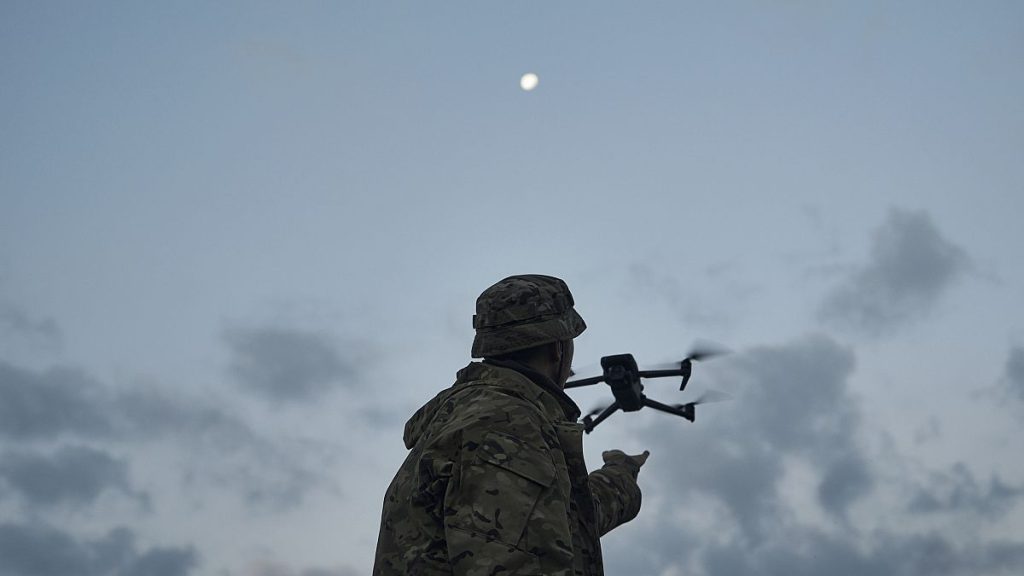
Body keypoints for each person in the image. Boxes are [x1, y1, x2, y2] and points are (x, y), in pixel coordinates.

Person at [373, 274, 649, 575]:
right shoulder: (507, 427)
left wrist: (620, 476)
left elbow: (557, 521)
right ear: (558, 348)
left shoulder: (467, 418)